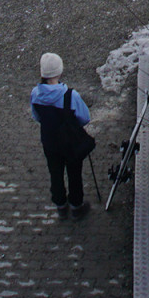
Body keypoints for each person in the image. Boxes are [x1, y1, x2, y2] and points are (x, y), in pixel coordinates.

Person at [30, 52, 95, 219]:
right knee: (74, 174)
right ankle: (76, 206)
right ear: (59, 72)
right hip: (70, 143)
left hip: (49, 142)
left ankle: (60, 204)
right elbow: (84, 118)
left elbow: (36, 116)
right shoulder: (71, 95)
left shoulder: (36, 94)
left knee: (55, 173)